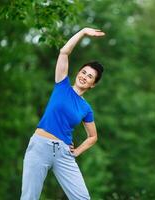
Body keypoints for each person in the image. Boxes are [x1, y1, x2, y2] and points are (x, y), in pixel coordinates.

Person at [20, 27, 105, 200]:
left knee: (83, 198)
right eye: (83, 72)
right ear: (78, 73)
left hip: (63, 153)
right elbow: (64, 52)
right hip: (40, 146)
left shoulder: (86, 108)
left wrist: (77, 151)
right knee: (29, 197)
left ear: (92, 85)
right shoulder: (62, 85)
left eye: (89, 77)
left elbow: (93, 137)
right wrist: (83, 32)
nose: (84, 77)